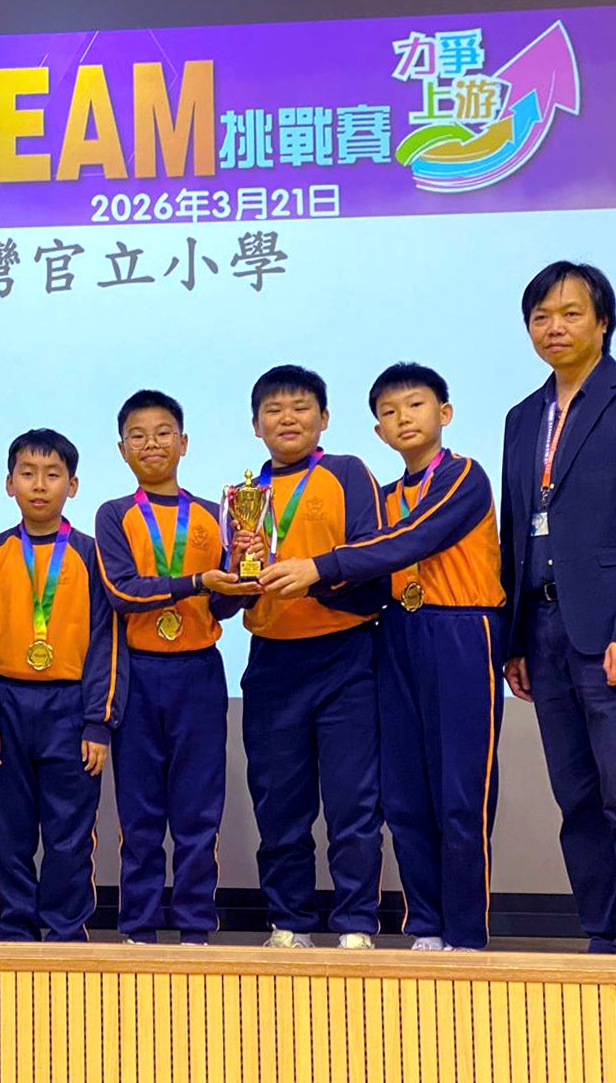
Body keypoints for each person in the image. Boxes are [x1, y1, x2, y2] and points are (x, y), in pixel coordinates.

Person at [260, 363, 506, 950]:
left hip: (460, 630)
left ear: (444, 413)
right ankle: (426, 923)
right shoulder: (386, 494)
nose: (403, 419)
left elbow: (410, 541)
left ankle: (465, 932)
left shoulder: (464, 476)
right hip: (396, 631)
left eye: (415, 405)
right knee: (404, 794)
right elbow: (373, 563)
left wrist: (318, 567)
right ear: (377, 430)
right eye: (389, 412)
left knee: (461, 790)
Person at [499, 262, 616, 955]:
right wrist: (516, 640)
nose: (555, 327)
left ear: (603, 321)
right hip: (543, 628)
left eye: (571, 313)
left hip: (615, 632)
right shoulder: (523, 417)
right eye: (541, 317)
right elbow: (517, 530)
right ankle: (603, 937)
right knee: (576, 798)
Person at [234, 365, 386, 949]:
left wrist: (312, 579)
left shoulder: (347, 473)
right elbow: (230, 594)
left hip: (346, 656)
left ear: (324, 418)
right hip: (273, 661)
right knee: (279, 802)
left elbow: (374, 565)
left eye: (301, 407)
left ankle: (356, 923)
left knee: (353, 801)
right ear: (256, 426)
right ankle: (289, 921)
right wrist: (237, 572)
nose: (287, 418)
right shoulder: (244, 495)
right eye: (273, 410)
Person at [93, 389, 246, 945]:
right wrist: (197, 581)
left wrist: (239, 575)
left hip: (198, 672)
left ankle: (196, 928)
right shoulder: (114, 515)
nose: (151, 444)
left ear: (184, 443)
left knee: (198, 811)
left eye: (163, 433)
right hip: (137, 674)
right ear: (122, 449)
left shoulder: (214, 514)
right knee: (140, 814)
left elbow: (222, 606)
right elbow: (122, 591)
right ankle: (138, 928)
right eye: (137, 436)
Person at [0, 429, 126, 941]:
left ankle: (64, 935)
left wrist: (98, 723)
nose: (40, 485)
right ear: (9, 484)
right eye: (28, 474)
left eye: (53, 475)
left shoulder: (92, 555)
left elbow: (106, 642)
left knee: (69, 835)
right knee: (8, 833)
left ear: (72, 485)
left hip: (71, 707)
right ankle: (14, 932)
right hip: (6, 705)